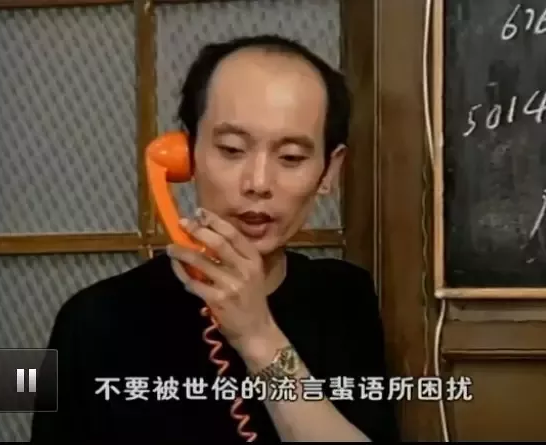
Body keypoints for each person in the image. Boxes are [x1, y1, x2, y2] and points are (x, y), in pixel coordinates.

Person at [31, 34, 399, 443]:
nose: (258, 183)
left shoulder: (346, 297)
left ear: (329, 170)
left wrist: (258, 336)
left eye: (291, 157)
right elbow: (25, 410)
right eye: (232, 149)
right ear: (186, 154)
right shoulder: (87, 318)